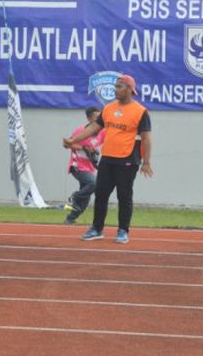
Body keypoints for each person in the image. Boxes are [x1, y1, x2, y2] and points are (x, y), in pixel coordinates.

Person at [62, 74, 153, 244]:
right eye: (115, 86)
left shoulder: (140, 112)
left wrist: (146, 162)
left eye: (119, 86)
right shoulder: (109, 108)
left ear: (129, 89)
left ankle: (123, 231)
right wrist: (73, 141)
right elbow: (94, 128)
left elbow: (146, 138)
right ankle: (97, 229)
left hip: (127, 160)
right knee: (101, 194)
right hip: (107, 159)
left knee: (124, 196)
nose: (115, 89)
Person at [62, 106, 105, 225]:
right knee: (94, 184)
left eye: (100, 117)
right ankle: (73, 197)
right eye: (96, 117)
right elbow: (66, 144)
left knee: (85, 201)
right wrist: (83, 148)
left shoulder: (103, 132)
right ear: (89, 119)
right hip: (77, 166)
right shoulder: (80, 130)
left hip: (89, 167)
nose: (100, 120)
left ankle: (70, 219)